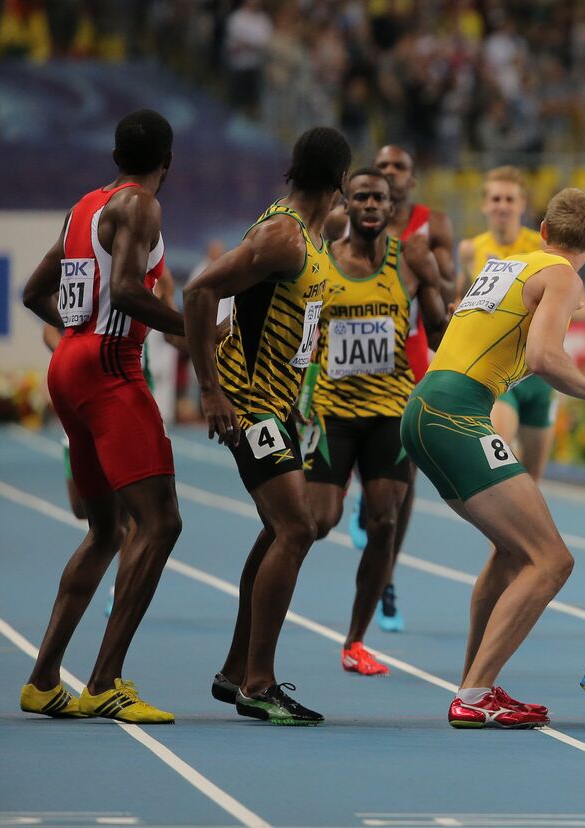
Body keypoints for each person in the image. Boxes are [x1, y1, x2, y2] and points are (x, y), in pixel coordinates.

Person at [401, 188, 585, 729]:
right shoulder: (563, 276)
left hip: (428, 407)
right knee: (553, 560)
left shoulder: (508, 265)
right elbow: (542, 356)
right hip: (455, 414)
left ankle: (475, 684)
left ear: (541, 230)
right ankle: (473, 692)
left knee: (514, 553)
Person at [19, 109, 184, 723]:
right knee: (162, 523)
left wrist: (78, 337)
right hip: (111, 367)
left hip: (70, 363)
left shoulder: (84, 205)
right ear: (167, 161)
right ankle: (105, 681)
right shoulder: (141, 205)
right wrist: (193, 330)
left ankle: (41, 681)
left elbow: (35, 291)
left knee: (108, 530)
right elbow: (128, 289)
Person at [184, 126, 351, 725]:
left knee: (279, 529)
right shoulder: (283, 236)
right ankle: (258, 682)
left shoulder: (313, 236)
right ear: (340, 182)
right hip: (248, 403)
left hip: (280, 404)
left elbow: (292, 323)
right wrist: (210, 389)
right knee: (297, 529)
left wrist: (302, 393)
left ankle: (236, 673)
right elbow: (199, 291)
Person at [301, 168, 447, 675]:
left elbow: (440, 324)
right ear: (346, 204)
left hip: (391, 411)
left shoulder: (408, 257)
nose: (369, 204)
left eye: (378, 198)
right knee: (316, 522)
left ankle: (355, 641)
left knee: (385, 521)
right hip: (332, 413)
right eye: (360, 196)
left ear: (391, 207)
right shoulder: (323, 257)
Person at [347, 144, 456, 634]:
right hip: (345, 368)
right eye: (383, 166)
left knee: (405, 478)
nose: (389, 173)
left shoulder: (431, 226)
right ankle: (362, 494)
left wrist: (435, 279)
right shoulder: (345, 224)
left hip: (404, 359)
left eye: (399, 167)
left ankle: (386, 574)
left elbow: (448, 285)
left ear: (410, 182)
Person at [456, 166, 585, 482]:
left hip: (537, 375)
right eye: (495, 198)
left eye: (509, 199)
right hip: (498, 373)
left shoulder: (545, 247)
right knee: (501, 471)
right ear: (484, 204)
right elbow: (461, 304)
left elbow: (584, 309)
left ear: (522, 205)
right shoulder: (469, 250)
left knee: (531, 481)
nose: (502, 205)